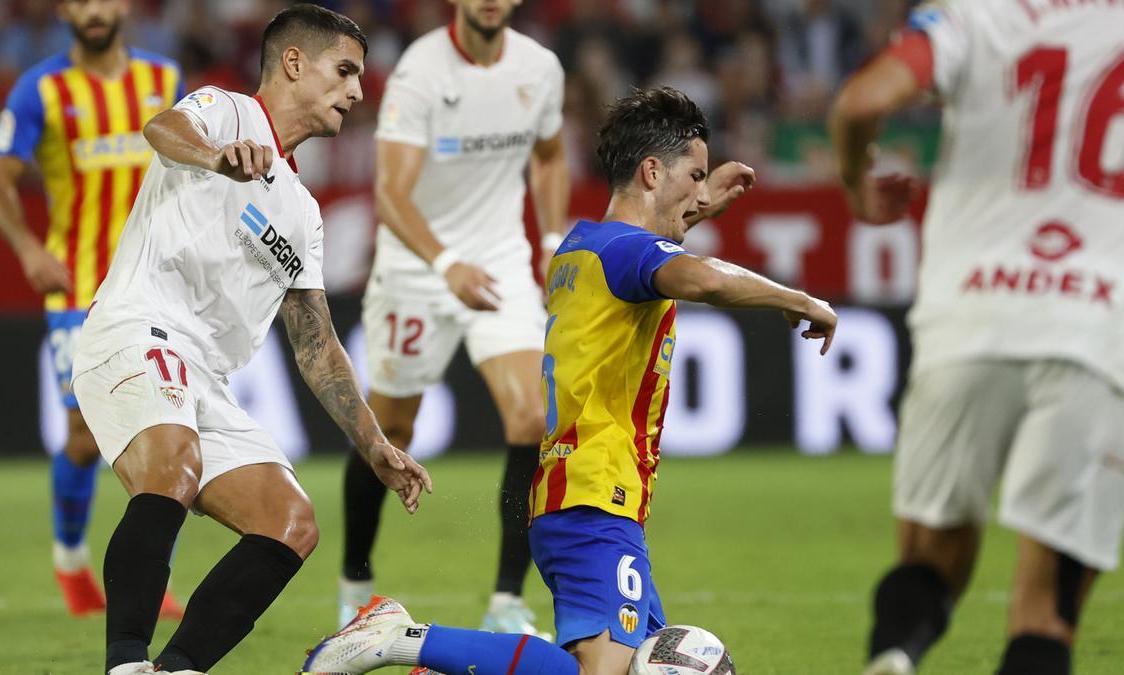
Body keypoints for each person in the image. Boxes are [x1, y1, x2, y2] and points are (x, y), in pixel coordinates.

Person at [301, 86, 837, 675]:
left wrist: (696, 203)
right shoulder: (627, 253)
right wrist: (801, 298)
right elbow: (703, 279)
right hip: (593, 501)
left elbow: (657, 244)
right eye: (695, 175)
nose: (701, 192)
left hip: (576, 496)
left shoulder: (584, 247)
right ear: (652, 171)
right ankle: (403, 638)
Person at [68, 6, 432, 674]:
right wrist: (216, 157)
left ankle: (176, 668)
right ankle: (125, 663)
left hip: (203, 377)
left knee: (291, 522)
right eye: (346, 71)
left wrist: (374, 442)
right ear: (294, 63)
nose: (357, 91)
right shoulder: (226, 111)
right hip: (135, 326)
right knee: (172, 465)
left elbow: (316, 342)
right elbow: (162, 127)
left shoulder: (302, 210)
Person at [829, 2, 1124, 674]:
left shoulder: (974, 15)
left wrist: (855, 183)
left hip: (970, 316)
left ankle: (895, 656)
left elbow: (860, 100)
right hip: (1095, 326)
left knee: (930, 559)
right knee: (1045, 612)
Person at [339, 0, 569, 636]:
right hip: (417, 270)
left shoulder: (540, 68)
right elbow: (391, 191)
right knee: (391, 431)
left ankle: (505, 602)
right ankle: (355, 582)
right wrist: (445, 264)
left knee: (532, 417)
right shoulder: (420, 73)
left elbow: (549, 156)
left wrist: (550, 242)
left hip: (498, 260)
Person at [0, 0, 185, 619]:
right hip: (75, 287)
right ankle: (70, 558)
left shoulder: (165, 81)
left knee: (165, 435)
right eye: (80, 0)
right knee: (82, 431)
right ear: (64, 10)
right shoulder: (39, 88)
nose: (93, 10)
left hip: (153, 287)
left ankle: (148, 577)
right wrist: (26, 249)